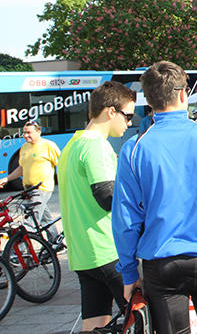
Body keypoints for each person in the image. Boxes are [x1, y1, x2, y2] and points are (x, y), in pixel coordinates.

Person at [112, 61, 197, 334]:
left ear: (147, 101)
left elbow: (125, 220)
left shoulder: (133, 149)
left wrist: (128, 273)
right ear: (184, 95)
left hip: (161, 263)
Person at [58, 80, 136, 331]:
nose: (130, 123)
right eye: (128, 115)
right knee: (141, 318)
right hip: (108, 251)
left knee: (93, 324)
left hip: (83, 254)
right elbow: (108, 198)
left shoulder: (72, 145)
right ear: (110, 111)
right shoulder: (95, 146)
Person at [0, 119, 61, 240]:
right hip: (28, 189)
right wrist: (6, 178)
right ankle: (55, 241)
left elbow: (62, 164)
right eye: (24, 133)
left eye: (29, 133)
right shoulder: (24, 148)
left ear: (39, 131)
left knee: (30, 223)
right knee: (44, 217)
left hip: (42, 188)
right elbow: (21, 168)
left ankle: (18, 252)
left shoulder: (48, 146)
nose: (25, 135)